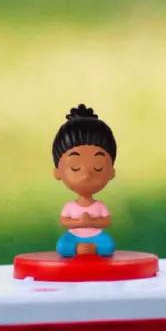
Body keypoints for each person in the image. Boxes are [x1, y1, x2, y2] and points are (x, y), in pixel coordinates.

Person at [53, 104, 119, 258]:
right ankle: (77, 249)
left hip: (97, 236)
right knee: (62, 246)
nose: (87, 174)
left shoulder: (99, 206)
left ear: (111, 172)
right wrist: (79, 223)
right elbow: (64, 222)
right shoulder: (69, 206)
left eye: (98, 167)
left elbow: (106, 222)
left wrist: (92, 222)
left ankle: (93, 249)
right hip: (74, 236)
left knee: (108, 246)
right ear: (58, 172)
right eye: (75, 168)